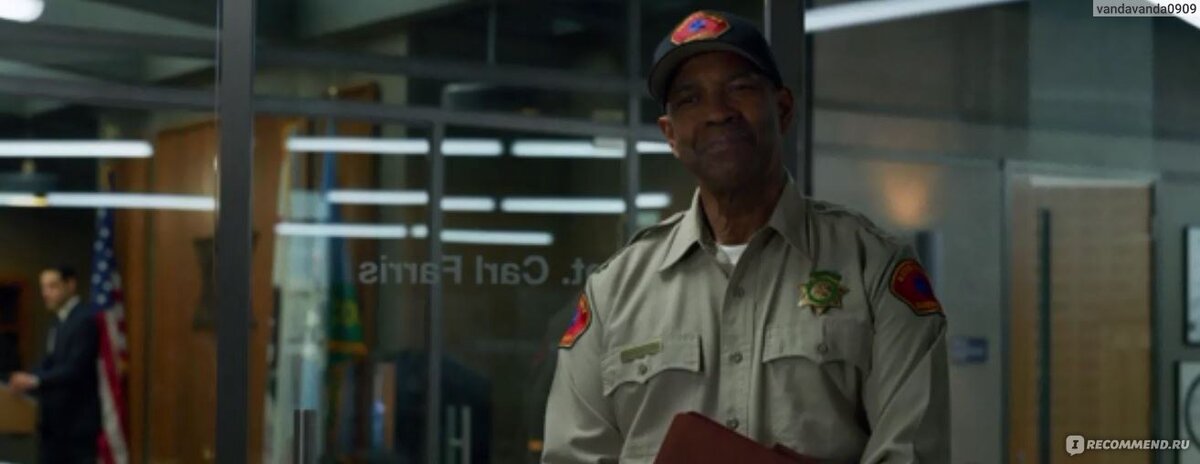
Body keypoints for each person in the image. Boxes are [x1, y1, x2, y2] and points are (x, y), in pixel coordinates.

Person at [542, 10, 949, 463]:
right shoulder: (614, 292)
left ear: (783, 109)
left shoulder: (874, 270)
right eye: (690, 99)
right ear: (670, 135)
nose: (718, 113)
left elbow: (910, 453)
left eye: (740, 88)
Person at [8, 266, 101, 463]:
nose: (45, 293)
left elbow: (76, 368)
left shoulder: (84, 319)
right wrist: (26, 377)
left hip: (76, 424)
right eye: (43, 287)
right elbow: (50, 361)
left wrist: (34, 380)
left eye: (52, 286)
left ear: (70, 285)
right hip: (53, 424)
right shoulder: (58, 320)